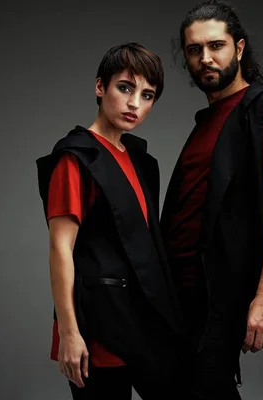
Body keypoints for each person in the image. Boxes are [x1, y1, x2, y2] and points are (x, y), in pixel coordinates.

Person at [160, 1, 263, 399]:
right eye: (194, 50)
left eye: (216, 46)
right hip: (180, 296)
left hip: (219, 297)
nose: (205, 58)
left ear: (239, 48)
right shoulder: (208, 121)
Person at [36, 43, 182, 400]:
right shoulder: (77, 157)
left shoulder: (140, 160)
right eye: (126, 87)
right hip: (99, 323)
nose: (135, 104)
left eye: (147, 95)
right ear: (100, 87)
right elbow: (60, 248)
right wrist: (70, 331)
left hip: (147, 317)